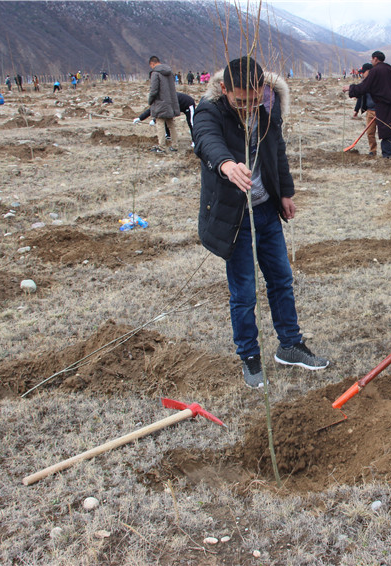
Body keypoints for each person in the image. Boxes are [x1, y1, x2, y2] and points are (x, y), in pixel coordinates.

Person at [192, 56, 329, 388]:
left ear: (263, 89)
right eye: (240, 101)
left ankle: (290, 345)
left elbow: (276, 150)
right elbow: (206, 140)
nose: (248, 108)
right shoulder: (210, 110)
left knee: (281, 279)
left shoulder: (267, 106)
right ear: (224, 89)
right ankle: (249, 356)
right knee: (244, 292)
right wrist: (226, 165)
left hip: (265, 210)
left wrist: (285, 192)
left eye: (254, 100)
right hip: (235, 216)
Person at [342, 50, 391, 158]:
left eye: (371, 59)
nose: (371, 61)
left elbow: (364, 86)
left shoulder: (376, 70)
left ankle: (387, 156)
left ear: (375, 59)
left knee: (385, 131)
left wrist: (350, 88)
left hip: (384, 106)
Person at [147, 55, 180, 153]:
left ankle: (161, 147)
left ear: (152, 64)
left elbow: (154, 90)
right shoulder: (169, 72)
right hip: (170, 103)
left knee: (160, 123)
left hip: (160, 103)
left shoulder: (155, 73)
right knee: (171, 124)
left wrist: (150, 100)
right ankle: (175, 145)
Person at [349, 63, 377, 156]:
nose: (362, 74)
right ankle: (373, 151)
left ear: (368, 71)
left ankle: (388, 152)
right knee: (370, 133)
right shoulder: (364, 83)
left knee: (385, 133)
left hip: (381, 111)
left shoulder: (378, 81)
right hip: (370, 111)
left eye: (363, 72)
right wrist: (356, 110)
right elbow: (360, 96)